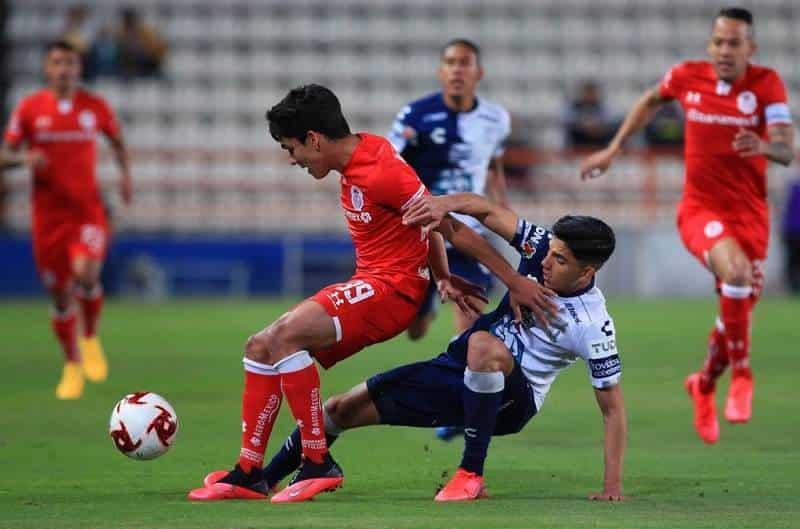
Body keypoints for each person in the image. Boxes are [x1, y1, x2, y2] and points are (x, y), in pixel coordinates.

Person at [188, 84, 558, 504]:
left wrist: (512, 280)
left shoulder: (382, 168)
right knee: (260, 346)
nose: (292, 160)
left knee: (286, 338)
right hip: (372, 282)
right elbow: (421, 222)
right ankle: (250, 471)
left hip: (392, 291)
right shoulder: (358, 162)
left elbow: (448, 226)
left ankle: (316, 462)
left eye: (292, 149)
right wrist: (443, 277)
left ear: (314, 139)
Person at [222, 193, 626, 502]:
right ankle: (263, 479)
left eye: (559, 260)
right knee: (339, 409)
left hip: (513, 400)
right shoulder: (540, 248)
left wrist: (612, 486)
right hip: (460, 368)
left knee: (484, 344)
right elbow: (484, 210)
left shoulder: (591, 325)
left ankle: (470, 474)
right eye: (550, 252)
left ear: (586, 271)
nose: (545, 262)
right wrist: (440, 205)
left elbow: (613, 409)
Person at [580, 8, 794, 445]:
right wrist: (614, 149)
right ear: (710, 45)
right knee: (735, 277)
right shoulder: (686, 77)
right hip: (701, 210)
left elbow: (787, 151)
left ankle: (704, 383)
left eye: (734, 43)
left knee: (733, 313)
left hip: (751, 217)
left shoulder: (766, 84)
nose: (724, 50)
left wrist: (765, 147)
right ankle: (743, 376)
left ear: (750, 49)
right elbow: (648, 101)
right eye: (718, 42)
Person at [1, 40, 132, 399]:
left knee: (86, 273)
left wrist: (124, 179)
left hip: (86, 210)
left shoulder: (95, 107)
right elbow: (4, 155)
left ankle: (89, 337)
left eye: (69, 63)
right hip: (47, 218)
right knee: (60, 297)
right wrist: (23, 160)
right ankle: (72, 364)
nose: (63, 69)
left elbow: (118, 142)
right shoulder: (29, 109)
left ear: (78, 68)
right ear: (47, 69)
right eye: (57, 62)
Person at [388, 39, 511, 343]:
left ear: (478, 72)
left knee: (472, 326)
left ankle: (462, 381)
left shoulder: (497, 119)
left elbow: (494, 165)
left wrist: (502, 209)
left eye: (464, 63)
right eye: (451, 63)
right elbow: (388, 165)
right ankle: (426, 305)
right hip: (424, 232)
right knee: (414, 330)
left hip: (469, 232)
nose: (457, 70)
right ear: (441, 71)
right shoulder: (415, 115)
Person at [562, 80, 617, 149]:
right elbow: (568, 120)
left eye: (592, 93)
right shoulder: (574, 106)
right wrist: (585, 126)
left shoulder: (601, 106)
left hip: (599, 138)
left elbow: (608, 120)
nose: (590, 96)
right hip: (578, 139)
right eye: (587, 93)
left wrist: (595, 126)